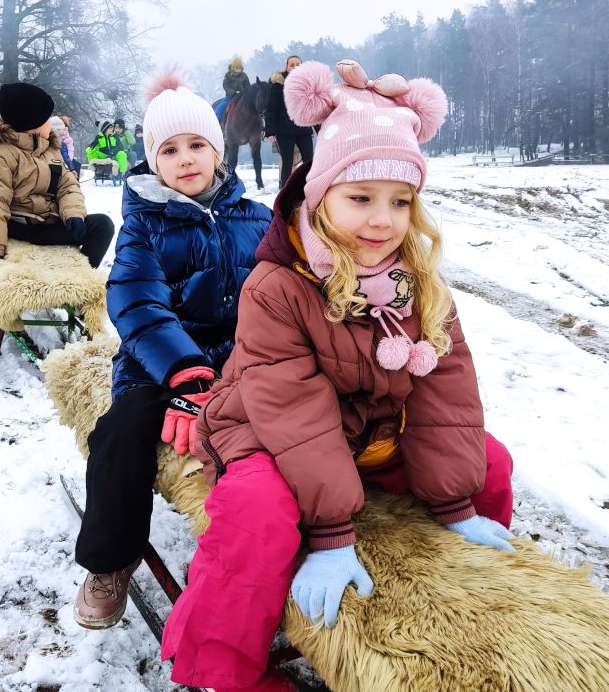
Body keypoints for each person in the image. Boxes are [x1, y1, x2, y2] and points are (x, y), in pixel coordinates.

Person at [161, 60, 515, 692]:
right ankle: (224, 667)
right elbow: (292, 410)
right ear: (321, 196)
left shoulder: (416, 281)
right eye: (360, 198)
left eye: (400, 202)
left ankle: (484, 616)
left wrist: (455, 502)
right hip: (268, 430)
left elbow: (448, 392)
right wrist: (329, 532)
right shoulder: (278, 285)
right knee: (256, 510)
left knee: (488, 461)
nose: (382, 220)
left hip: (367, 435)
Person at [72, 75, 273, 635]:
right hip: (160, 366)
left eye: (196, 145)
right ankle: (110, 559)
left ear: (218, 150)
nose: (185, 159)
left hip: (242, 362)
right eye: (169, 150)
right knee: (121, 432)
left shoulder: (257, 219)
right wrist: (185, 371)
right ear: (152, 160)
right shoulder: (144, 225)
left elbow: (280, 293)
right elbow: (137, 301)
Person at [0, 82, 115, 310]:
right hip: (13, 226)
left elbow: (68, 187)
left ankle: (77, 282)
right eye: (46, 118)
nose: (50, 123)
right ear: (31, 123)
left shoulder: (50, 150)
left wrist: (73, 215)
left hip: (46, 225)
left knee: (102, 224)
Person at [264, 55, 314, 189]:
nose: (295, 67)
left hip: (304, 130)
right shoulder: (278, 85)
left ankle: (309, 189)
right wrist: (270, 131)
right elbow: (271, 109)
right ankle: (285, 191)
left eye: (298, 64)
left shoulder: (308, 85)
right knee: (287, 163)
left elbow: (313, 108)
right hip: (284, 131)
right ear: (286, 67)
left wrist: (321, 130)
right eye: (292, 65)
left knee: (309, 162)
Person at [216, 56, 250, 123]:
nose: (238, 70)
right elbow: (226, 85)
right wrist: (233, 93)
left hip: (242, 97)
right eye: (237, 68)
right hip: (230, 96)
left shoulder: (244, 76)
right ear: (233, 67)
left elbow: (247, 86)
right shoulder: (228, 75)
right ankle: (218, 121)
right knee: (221, 106)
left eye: (240, 68)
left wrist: (243, 92)